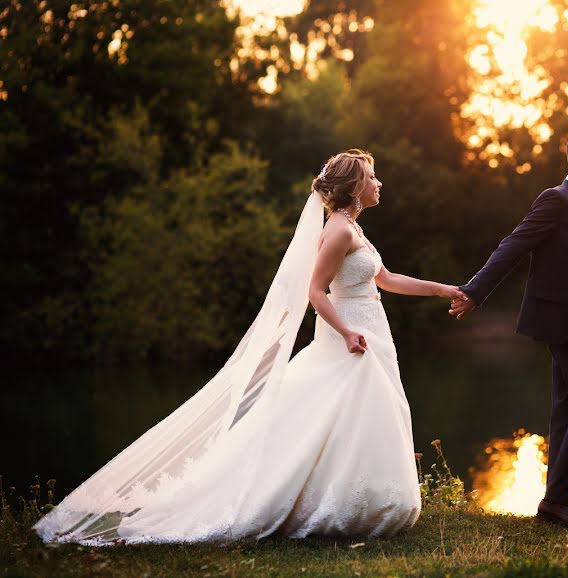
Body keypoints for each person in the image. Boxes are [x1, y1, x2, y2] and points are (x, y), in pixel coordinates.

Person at [34, 149, 465, 544]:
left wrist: (443, 290)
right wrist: (348, 332)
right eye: (372, 177)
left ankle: (369, 500)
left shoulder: (353, 228)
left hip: (371, 327)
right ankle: (336, 506)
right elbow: (316, 292)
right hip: (350, 336)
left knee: (365, 416)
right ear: (354, 188)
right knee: (341, 415)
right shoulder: (337, 232)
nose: (379, 184)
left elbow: (386, 279)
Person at [450, 128, 568, 528]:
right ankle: (558, 502)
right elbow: (514, 245)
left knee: (566, 410)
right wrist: (475, 291)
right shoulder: (556, 200)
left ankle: (556, 503)